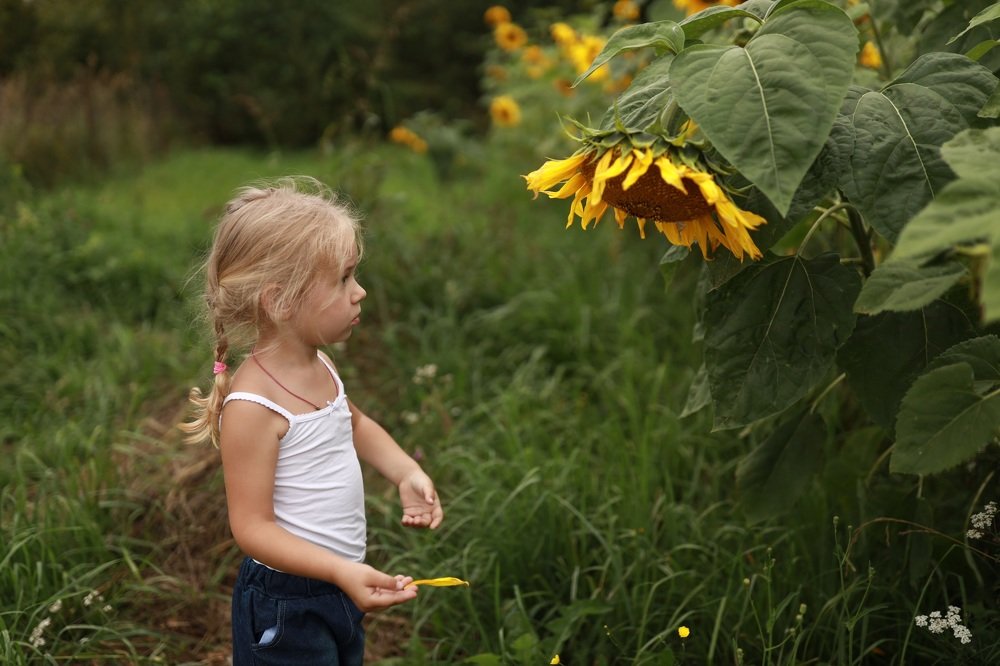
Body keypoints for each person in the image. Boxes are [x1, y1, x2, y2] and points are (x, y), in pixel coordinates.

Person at [180, 176, 443, 664]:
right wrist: (338, 571)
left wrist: (406, 471)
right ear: (280, 301)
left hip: (338, 585)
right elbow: (252, 527)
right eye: (344, 279)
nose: (359, 292)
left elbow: (354, 424)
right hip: (286, 603)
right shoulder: (254, 407)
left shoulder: (319, 364)